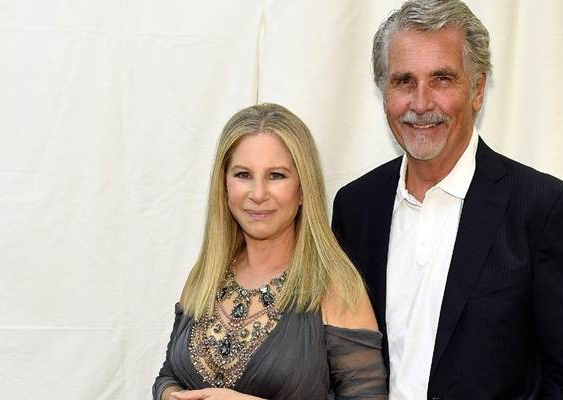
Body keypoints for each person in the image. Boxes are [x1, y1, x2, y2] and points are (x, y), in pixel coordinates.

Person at [331, 1, 563, 399]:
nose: (421, 104)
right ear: (384, 91)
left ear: (477, 89)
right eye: (404, 81)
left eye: (441, 79)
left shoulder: (541, 208)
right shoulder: (355, 208)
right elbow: (337, 359)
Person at [153, 103, 388, 400]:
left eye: (276, 175)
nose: (258, 194)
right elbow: (168, 376)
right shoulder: (206, 275)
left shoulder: (336, 287)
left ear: (303, 189)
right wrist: (173, 396)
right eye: (243, 174)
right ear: (224, 186)